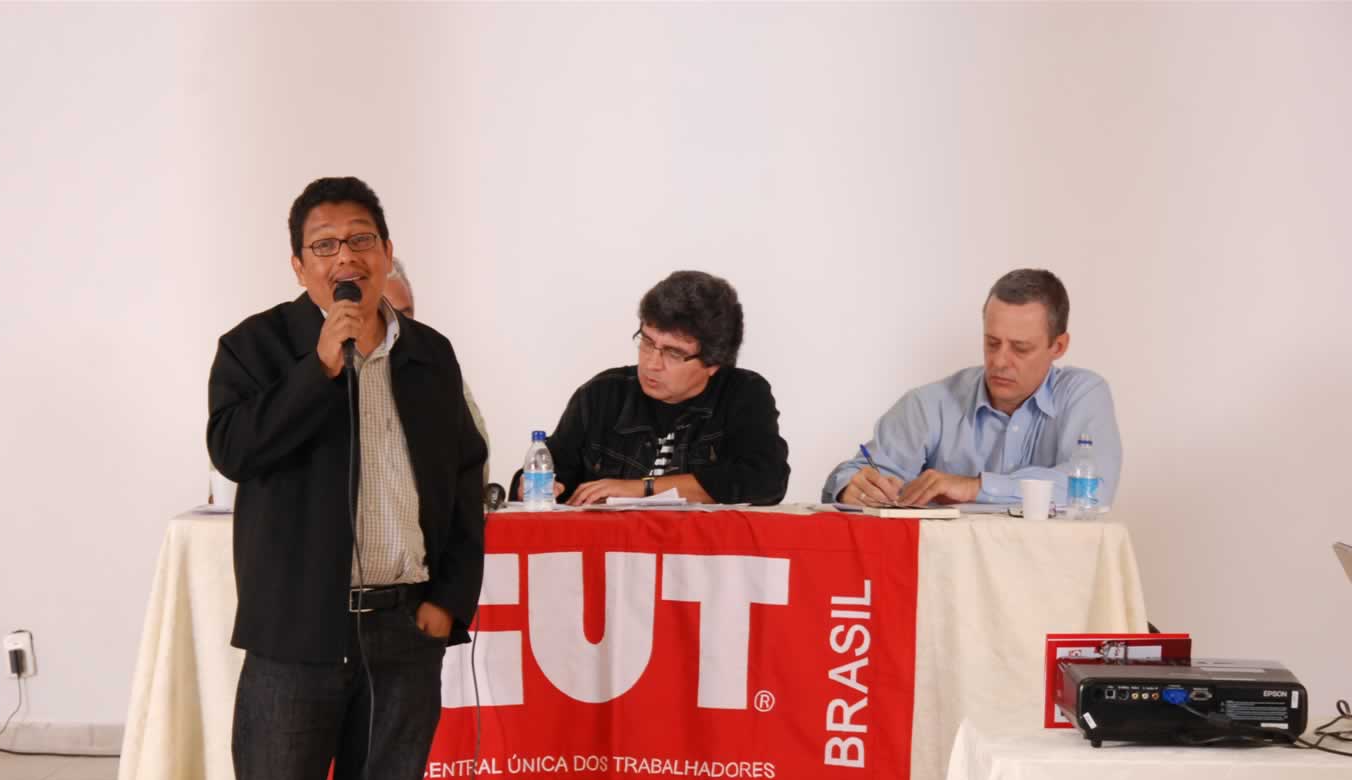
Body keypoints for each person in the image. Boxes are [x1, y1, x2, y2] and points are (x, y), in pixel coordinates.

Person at [206, 176, 485, 780]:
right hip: (295, 642)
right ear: (300, 266)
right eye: (324, 245)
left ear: (387, 252)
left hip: (403, 638)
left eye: (360, 239)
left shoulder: (429, 355)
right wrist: (320, 366)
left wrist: (447, 603)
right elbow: (235, 450)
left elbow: (465, 479)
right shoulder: (255, 348)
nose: (345, 257)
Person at [823, 268, 1121, 508]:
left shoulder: (1083, 394)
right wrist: (852, 489)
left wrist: (974, 487)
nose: (1000, 361)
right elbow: (854, 475)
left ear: (1058, 346)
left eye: (1020, 348)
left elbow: (1093, 490)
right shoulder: (929, 405)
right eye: (992, 343)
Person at [512, 270, 789, 506]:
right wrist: (534, 486)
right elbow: (549, 469)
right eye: (647, 342)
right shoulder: (602, 394)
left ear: (713, 363)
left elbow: (765, 480)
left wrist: (641, 489)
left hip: (700, 552)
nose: (651, 363)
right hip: (613, 551)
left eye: (673, 353)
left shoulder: (743, 394)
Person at [383, 255, 490, 480]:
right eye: (385, 315)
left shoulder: (438, 368)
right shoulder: (343, 372)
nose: (399, 326)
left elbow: (476, 457)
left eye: (405, 314)